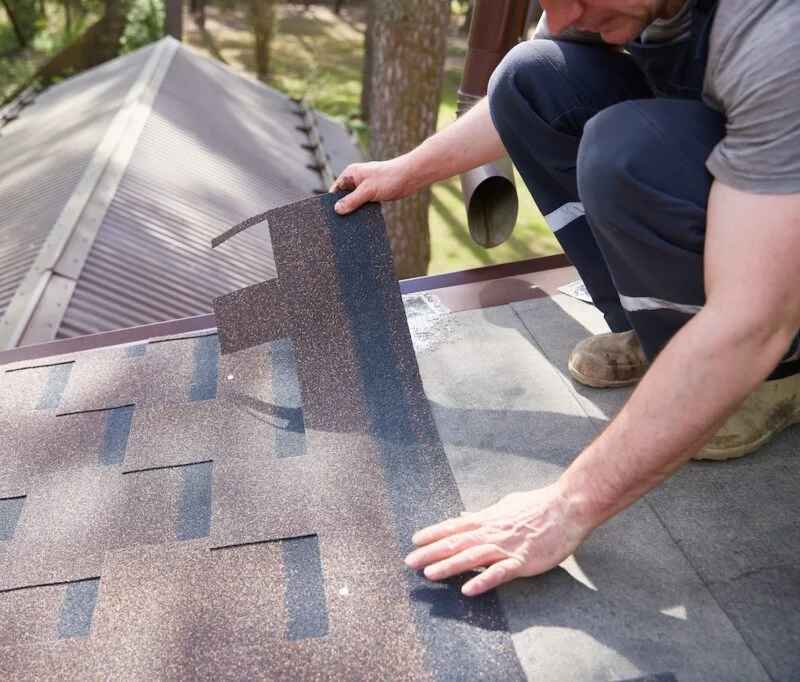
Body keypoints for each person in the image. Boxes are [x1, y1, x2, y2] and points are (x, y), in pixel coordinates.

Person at [331, 0, 800, 597]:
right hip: (756, 163)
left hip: (780, 250)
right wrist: (408, 170)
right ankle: (663, 332)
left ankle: (777, 379)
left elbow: (752, 318)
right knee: (533, 74)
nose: (561, 13)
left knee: (628, 150)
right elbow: (521, 98)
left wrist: (565, 507)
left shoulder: (777, 32)